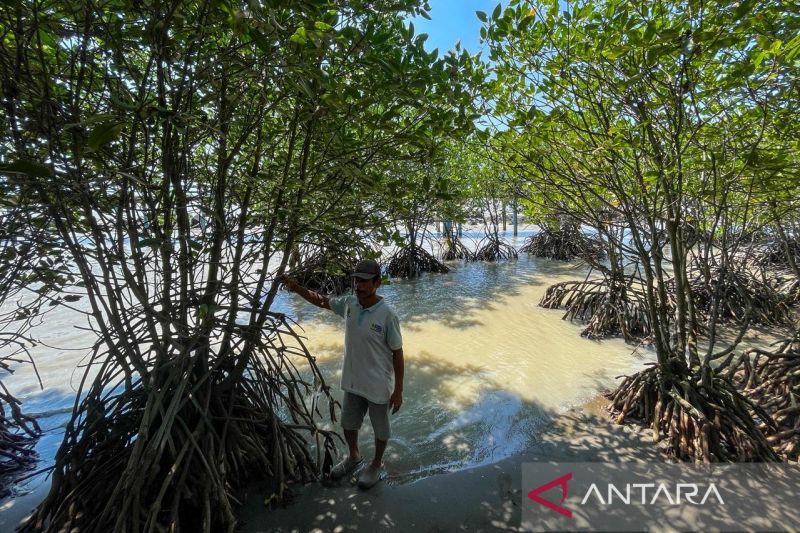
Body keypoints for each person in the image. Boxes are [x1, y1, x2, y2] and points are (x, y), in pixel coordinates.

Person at [280, 259, 404, 489]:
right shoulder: (349, 304)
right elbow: (322, 301)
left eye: (365, 282)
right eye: (357, 280)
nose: (359, 286)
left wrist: (398, 390)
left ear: (377, 283)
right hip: (353, 381)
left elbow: (398, 354)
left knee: (381, 429)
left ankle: (377, 463)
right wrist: (295, 287)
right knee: (348, 424)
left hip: (378, 385)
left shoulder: (388, 315)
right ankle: (354, 456)